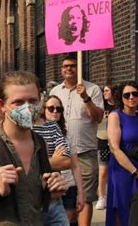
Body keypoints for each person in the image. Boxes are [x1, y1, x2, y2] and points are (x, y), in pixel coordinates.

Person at [0, 71, 68, 225]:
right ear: (2, 106)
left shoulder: (40, 144)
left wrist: (52, 191)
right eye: (19, 102)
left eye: (33, 101)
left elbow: (35, 202)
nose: (28, 108)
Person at [50, 56, 104, 226]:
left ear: (79, 68)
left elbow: (98, 118)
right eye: (65, 66)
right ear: (61, 69)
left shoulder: (92, 89)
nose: (69, 69)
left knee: (85, 198)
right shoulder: (55, 92)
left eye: (73, 66)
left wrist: (86, 98)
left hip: (84, 151)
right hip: (61, 153)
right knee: (62, 196)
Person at [106, 81, 138, 226]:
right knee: (123, 209)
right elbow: (115, 149)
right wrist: (135, 172)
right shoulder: (115, 116)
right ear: (121, 98)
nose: (131, 97)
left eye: (135, 94)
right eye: (127, 95)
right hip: (124, 171)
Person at [40, 95, 85, 226]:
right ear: (43, 110)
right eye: (51, 108)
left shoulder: (66, 134)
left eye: (59, 109)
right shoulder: (36, 132)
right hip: (48, 187)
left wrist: (81, 193)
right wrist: (55, 160)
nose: (55, 111)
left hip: (69, 185)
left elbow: (75, 165)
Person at [33, 95, 71, 225]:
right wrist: (52, 160)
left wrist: (37, 162)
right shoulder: (22, 129)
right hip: (30, 199)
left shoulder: (53, 127)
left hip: (54, 197)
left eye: (34, 100)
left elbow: (66, 161)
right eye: (51, 108)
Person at [95, 85, 115, 210]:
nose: (104, 93)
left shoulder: (119, 106)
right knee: (103, 171)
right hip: (103, 141)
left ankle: (113, 195)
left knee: (115, 171)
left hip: (117, 143)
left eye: (107, 90)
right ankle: (101, 197)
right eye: (104, 91)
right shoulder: (102, 106)